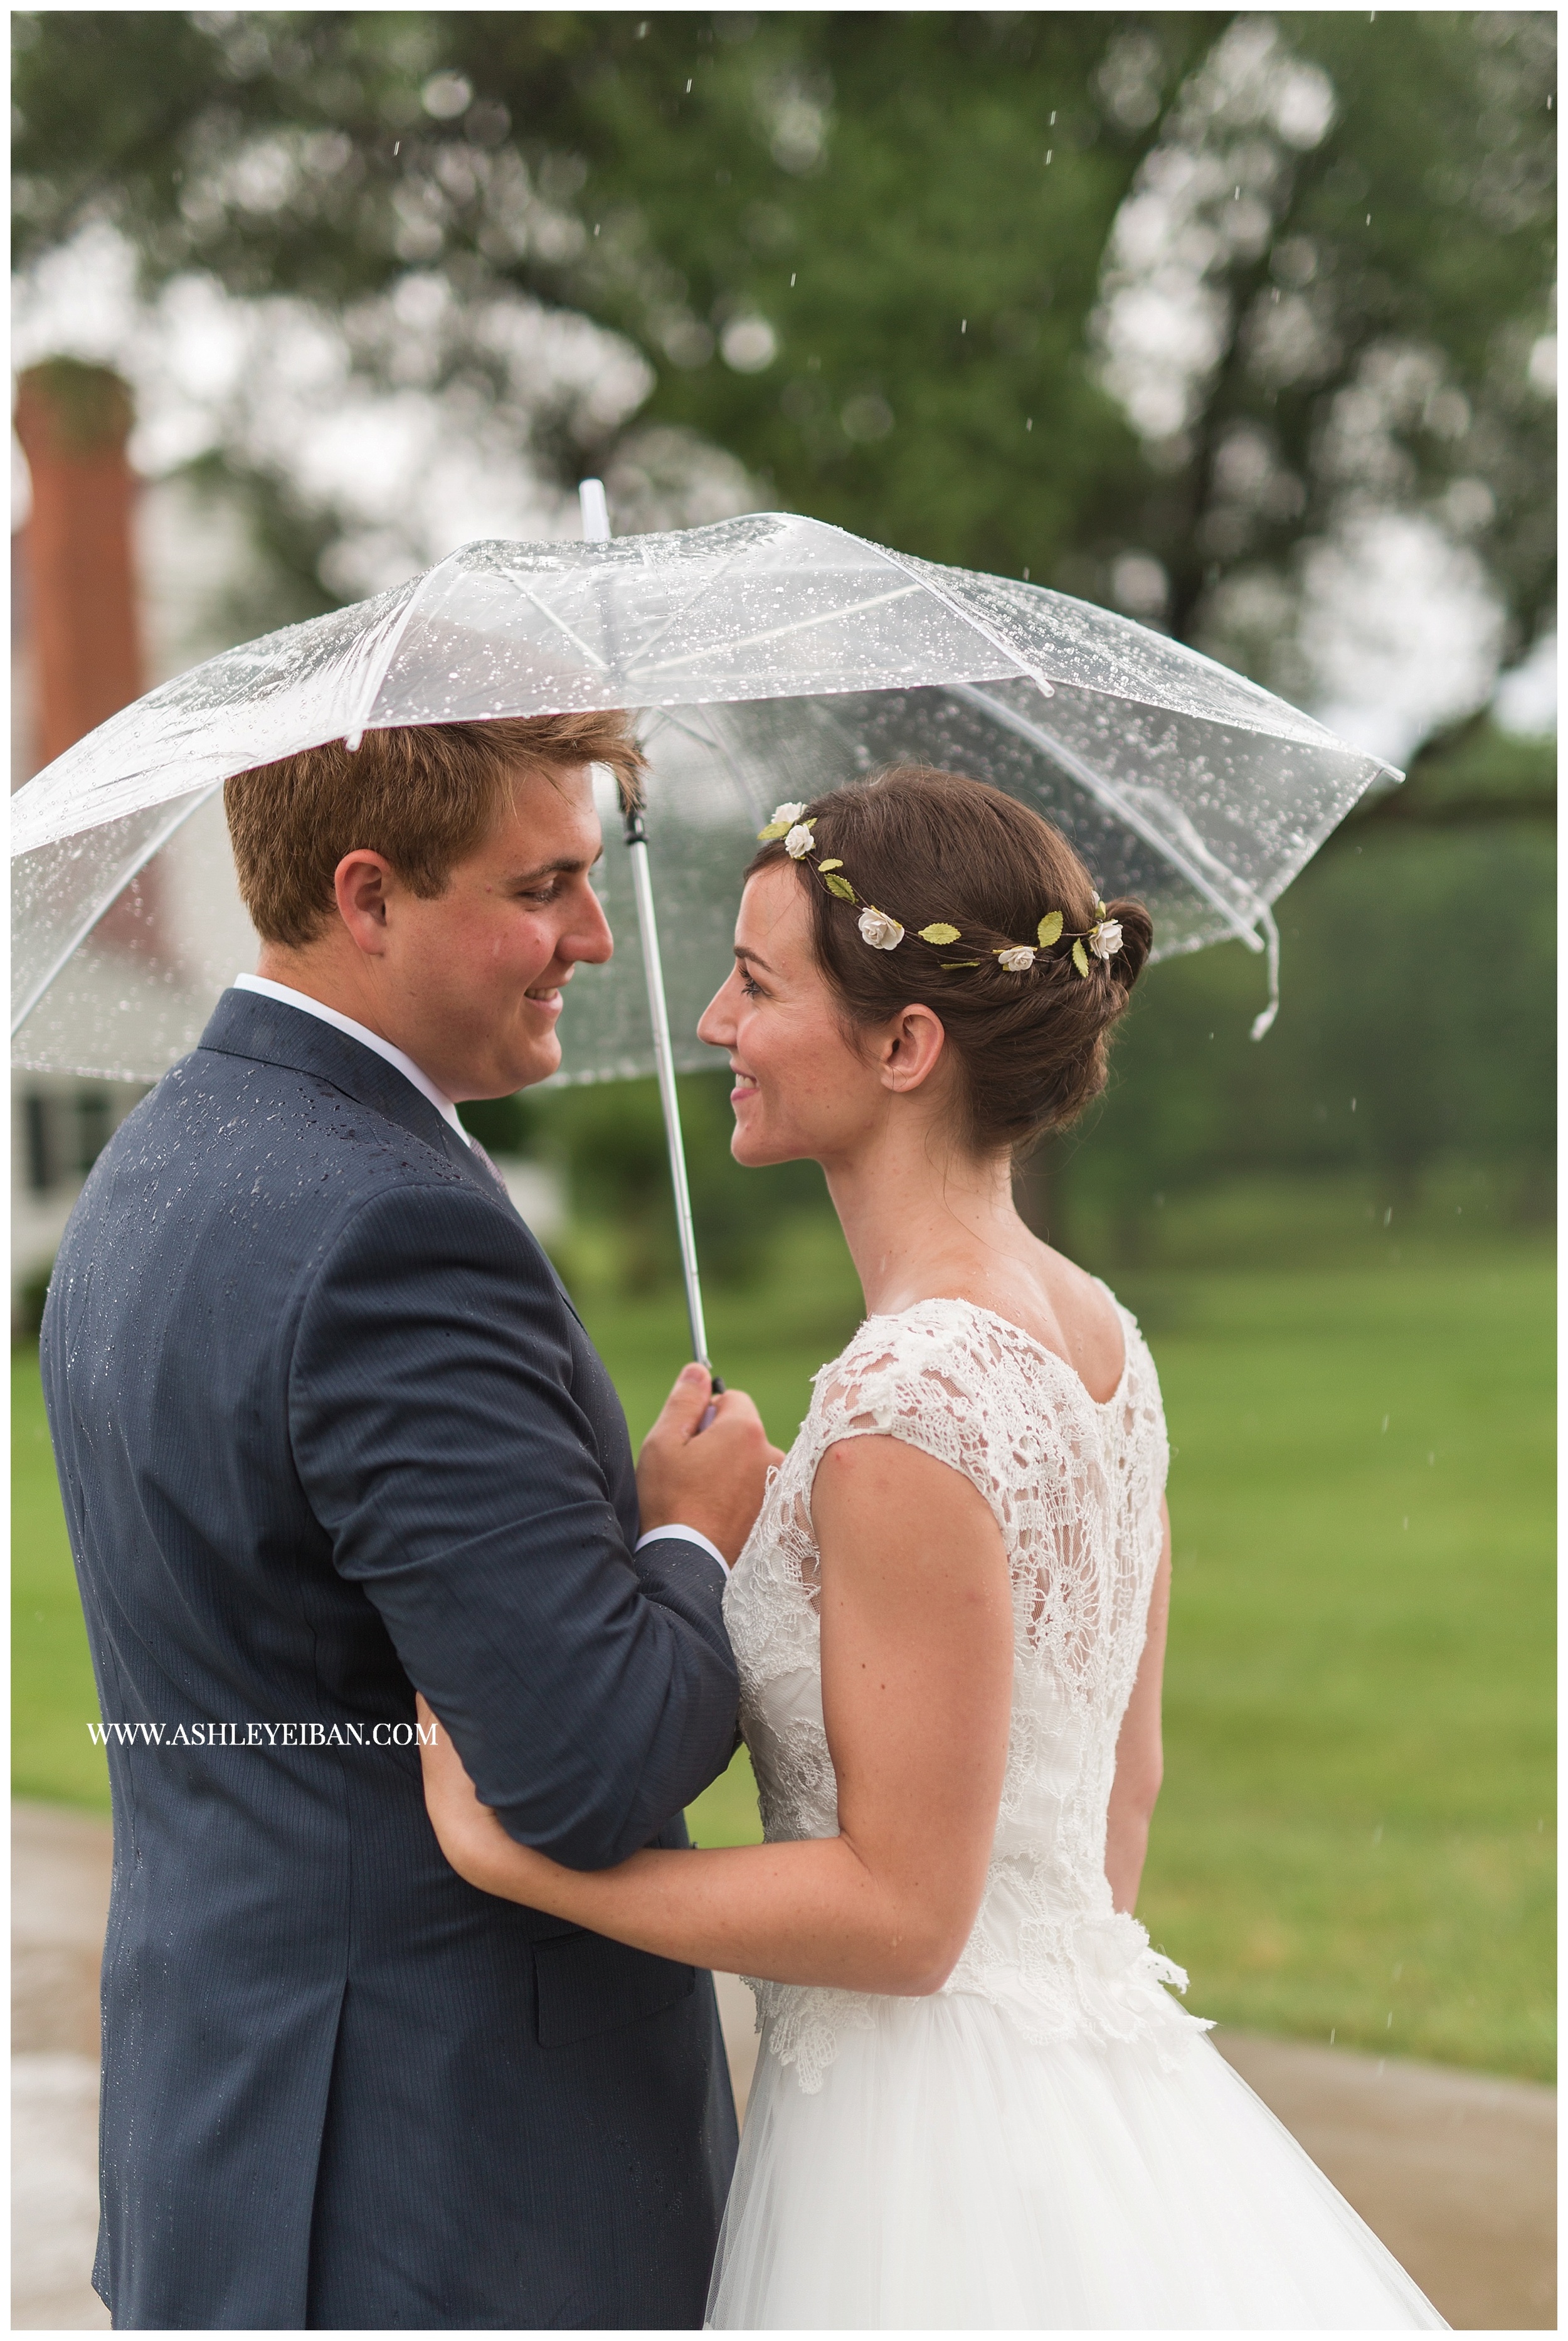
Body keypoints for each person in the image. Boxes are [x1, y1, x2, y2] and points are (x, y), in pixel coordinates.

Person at [419, 763, 1447, 2330]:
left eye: (756, 986)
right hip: (1090, 2098)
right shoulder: (1099, 1337)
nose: (711, 1023)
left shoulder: (907, 1404)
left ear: (904, 1046)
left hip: (920, 2154)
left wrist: (531, 1864)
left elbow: (902, 1922)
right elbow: (1114, 1798)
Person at [40, 712, 780, 2330]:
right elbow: (580, 1762)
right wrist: (689, 1539)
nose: (591, 936)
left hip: (228, 2134)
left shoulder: (155, 1169)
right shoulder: (393, 1229)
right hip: (446, 2190)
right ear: (367, 895)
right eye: (544, 886)